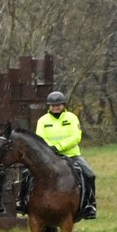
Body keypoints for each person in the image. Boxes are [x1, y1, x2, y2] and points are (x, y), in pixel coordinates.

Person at [22, 91, 98, 220]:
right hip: (49, 157)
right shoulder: (43, 120)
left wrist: (58, 147)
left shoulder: (72, 118)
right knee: (27, 174)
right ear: (49, 106)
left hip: (71, 155)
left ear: (63, 105)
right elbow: (40, 138)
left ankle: (90, 205)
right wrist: (50, 149)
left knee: (89, 174)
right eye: (53, 105)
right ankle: (23, 202)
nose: (56, 108)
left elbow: (76, 136)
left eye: (58, 105)